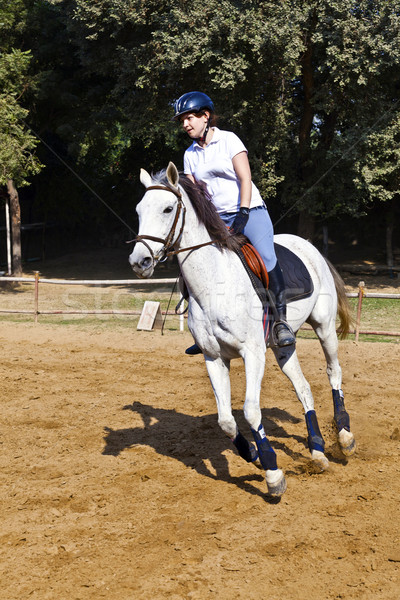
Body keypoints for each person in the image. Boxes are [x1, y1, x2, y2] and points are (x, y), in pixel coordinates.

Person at [173, 91, 295, 352]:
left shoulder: (229, 140)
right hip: (216, 218)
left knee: (266, 257)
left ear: (206, 116)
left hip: (250, 210)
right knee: (192, 265)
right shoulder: (190, 154)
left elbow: (244, 178)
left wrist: (243, 212)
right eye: (182, 120)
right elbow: (197, 195)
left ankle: (281, 322)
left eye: (190, 118)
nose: (185, 124)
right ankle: (202, 329)